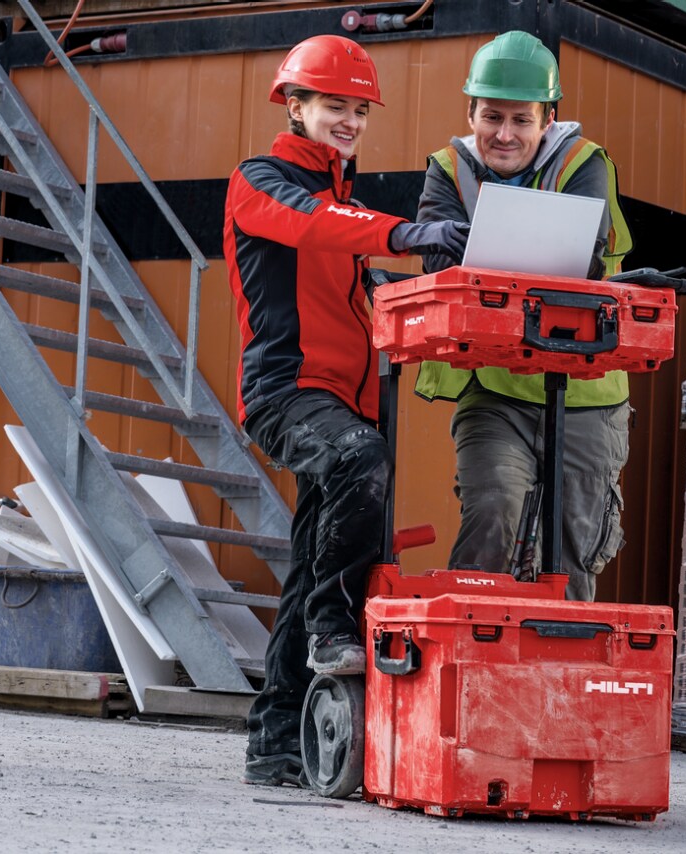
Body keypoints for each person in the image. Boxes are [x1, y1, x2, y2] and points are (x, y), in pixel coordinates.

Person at [223, 34, 468, 787]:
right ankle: (335, 629)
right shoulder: (259, 182)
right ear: (294, 106)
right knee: (362, 461)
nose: (350, 120)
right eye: (335, 105)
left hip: (344, 402)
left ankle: (274, 746)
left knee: (306, 569)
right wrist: (405, 230)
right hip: (287, 395)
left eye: (359, 110)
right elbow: (309, 225)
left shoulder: (342, 205)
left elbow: (355, 272)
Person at [413, 30, 634, 602]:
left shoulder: (586, 163)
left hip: (586, 393)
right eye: (492, 117)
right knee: (493, 511)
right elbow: (440, 259)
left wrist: (485, 250)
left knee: (572, 550)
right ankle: (468, 655)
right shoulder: (448, 168)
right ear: (471, 112)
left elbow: (581, 261)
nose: (504, 134)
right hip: (494, 388)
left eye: (521, 119)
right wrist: (535, 252)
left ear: (548, 117)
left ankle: (556, 680)